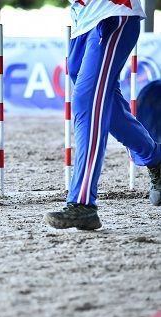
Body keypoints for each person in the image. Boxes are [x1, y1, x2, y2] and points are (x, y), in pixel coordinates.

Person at [44, 0, 161, 230]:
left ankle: (82, 203)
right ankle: (155, 159)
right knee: (109, 107)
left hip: (111, 14)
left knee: (87, 103)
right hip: (83, 22)